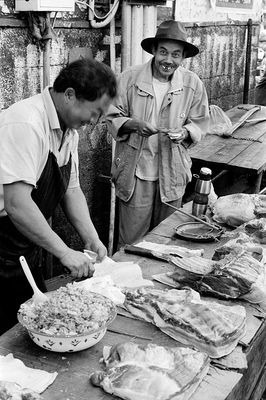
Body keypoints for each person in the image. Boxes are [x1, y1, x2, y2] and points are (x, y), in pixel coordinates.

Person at [0, 58, 117, 334]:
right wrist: (64, 252)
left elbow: (71, 189)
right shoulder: (26, 124)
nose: (96, 121)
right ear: (70, 95)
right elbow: (17, 203)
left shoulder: (68, 129)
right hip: (2, 241)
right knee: (10, 340)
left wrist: (91, 238)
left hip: (23, 246)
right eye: (96, 112)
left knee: (40, 324)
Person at [106, 20, 210, 249]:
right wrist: (133, 125)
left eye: (175, 54)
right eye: (163, 52)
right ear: (153, 51)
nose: (168, 60)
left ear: (182, 57)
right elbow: (111, 115)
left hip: (172, 172)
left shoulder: (193, 84)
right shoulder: (129, 78)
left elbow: (200, 122)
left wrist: (184, 132)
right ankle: (128, 283)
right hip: (136, 172)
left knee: (165, 240)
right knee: (132, 242)